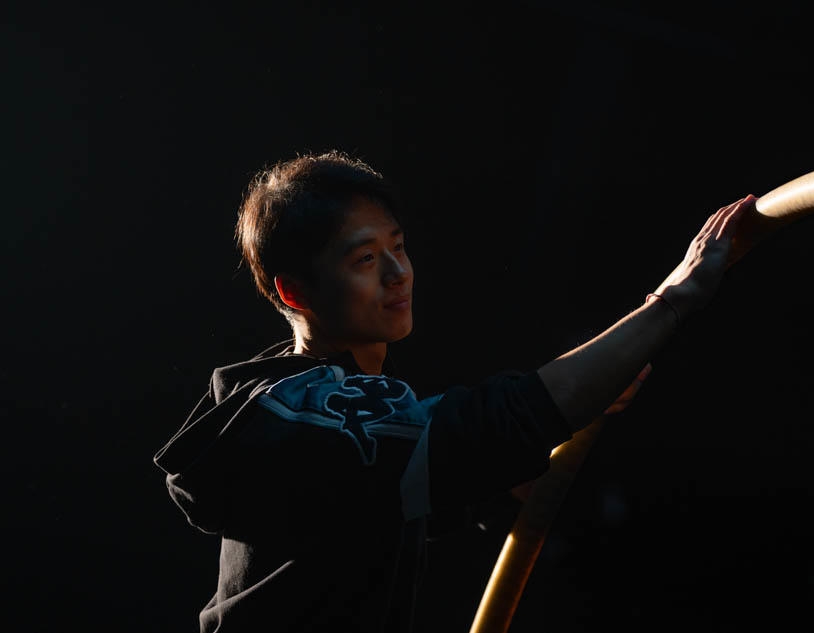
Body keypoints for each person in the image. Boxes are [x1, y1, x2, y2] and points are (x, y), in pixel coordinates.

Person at [153, 149, 755, 632]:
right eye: (365, 259)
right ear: (294, 293)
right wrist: (673, 299)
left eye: (398, 246)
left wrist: (569, 412)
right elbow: (488, 429)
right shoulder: (294, 416)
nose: (398, 273)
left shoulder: (349, 418)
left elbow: (449, 479)